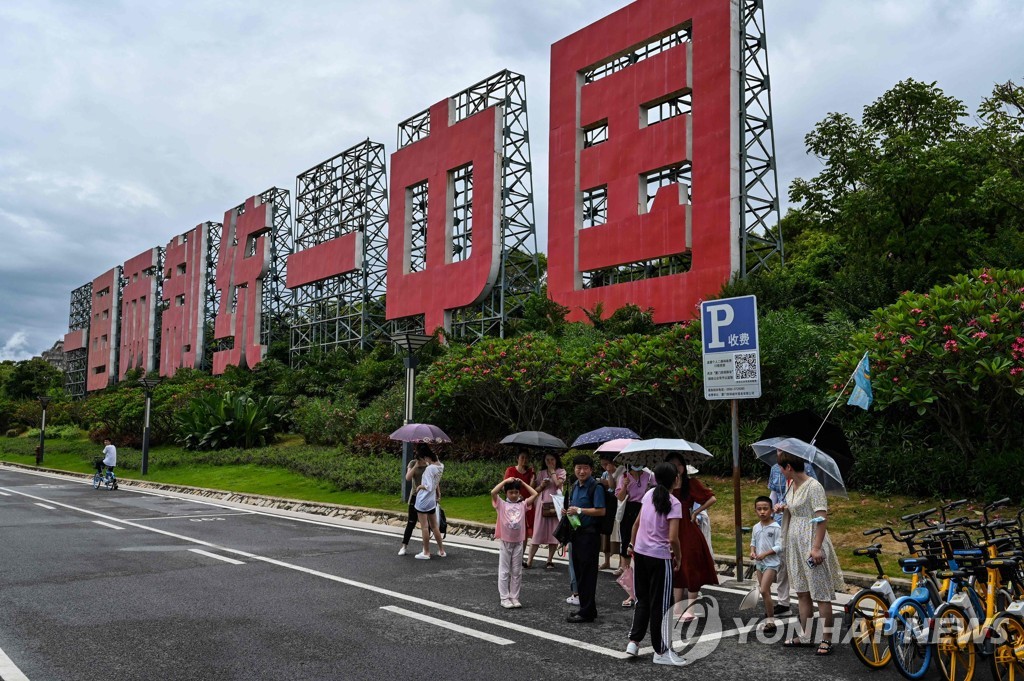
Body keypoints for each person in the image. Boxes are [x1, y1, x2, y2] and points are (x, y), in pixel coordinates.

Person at [776, 451, 844, 655]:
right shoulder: (790, 485)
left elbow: (821, 519)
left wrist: (816, 547)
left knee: (821, 592)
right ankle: (805, 635)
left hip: (811, 540)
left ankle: (827, 639)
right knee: (802, 591)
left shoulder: (814, 487)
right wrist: (784, 507)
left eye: (781, 466)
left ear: (789, 467)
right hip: (794, 541)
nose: (779, 470)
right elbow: (795, 508)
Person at [624, 462, 687, 666]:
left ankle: (634, 642)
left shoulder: (648, 495)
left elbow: (637, 523)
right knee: (661, 604)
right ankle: (661, 650)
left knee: (642, 599)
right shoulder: (674, 503)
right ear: (675, 479)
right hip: (660, 557)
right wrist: (678, 557)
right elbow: (673, 538)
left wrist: (632, 544)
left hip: (640, 553)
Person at [665, 453, 718, 621]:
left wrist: (696, 511)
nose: (676, 468)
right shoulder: (664, 486)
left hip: (687, 530)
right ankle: (677, 607)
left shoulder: (691, 483)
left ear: (684, 467)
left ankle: (691, 608)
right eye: (672, 465)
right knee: (676, 568)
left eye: (678, 465)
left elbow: (711, 498)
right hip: (669, 528)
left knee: (691, 567)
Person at [767, 461, 817, 615]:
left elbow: (814, 506)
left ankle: (811, 598)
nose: (778, 453)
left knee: (804, 565)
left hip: (802, 525)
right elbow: (774, 493)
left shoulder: (807, 470)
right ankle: (783, 601)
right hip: (782, 521)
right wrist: (771, 512)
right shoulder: (775, 468)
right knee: (782, 561)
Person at [565, 454, 605, 623]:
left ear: (591, 469)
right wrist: (567, 511)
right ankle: (586, 608)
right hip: (576, 533)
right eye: (578, 468)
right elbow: (572, 508)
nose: (581, 471)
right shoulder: (574, 486)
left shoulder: (595, 487)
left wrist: (580, 510)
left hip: (590, 534)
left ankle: (587, 611)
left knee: (588, 573)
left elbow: (601, 510)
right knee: (579, 572)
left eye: (585, 468)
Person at [491, 478, 539, 608]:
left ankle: (514, 597)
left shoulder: (523, 505)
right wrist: (505, 481)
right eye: (511, 492)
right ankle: (504, 598)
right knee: (504, 571)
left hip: (518, 542)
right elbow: (493, 492)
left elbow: (535, 494)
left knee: (517, 571)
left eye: (516, 492)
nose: (513, 495)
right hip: (506, 542)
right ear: (506, 493)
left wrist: (523, 483)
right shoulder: (501, 504)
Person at [615, 464, 654, 593]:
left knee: (643, 540)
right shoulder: (624, 476)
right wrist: (625, 485)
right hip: (629, 509)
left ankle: (642, 572)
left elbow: (655, 491)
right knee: (627, 540)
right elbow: (620, 497)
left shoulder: (649, 476)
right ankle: (627, 577)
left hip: (644, 508)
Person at [526, 451, 566, 569]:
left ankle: (549, 560)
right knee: (537, 532)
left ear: (556, 460)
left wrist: (553, 472)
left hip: (555, 505)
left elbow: (559, 484)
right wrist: (542, 485)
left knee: (553, 533)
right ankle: (529, 560)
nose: (549, 462)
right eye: (547, 460)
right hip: (542, 505)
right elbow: (535, 490)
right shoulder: (541, 473)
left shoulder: (561, 472)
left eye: (552, 460)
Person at [750, 496, 782, 635]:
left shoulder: (776, 527)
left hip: (771, 563)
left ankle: (771, 621)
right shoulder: (756, 527)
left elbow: (780, 546)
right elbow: (753, 542)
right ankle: (769, 613)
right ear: (755, 510)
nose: (762, 512)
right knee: (766, 592)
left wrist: (766, 554)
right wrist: (752, 552)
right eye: (759, 509)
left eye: (765, 509)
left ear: (771, 510)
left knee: (763, 590)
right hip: (759, 563)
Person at [412, 445, 446, 560]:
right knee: (435, 526)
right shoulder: (440, 466)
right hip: (432, 501)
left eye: (424, 458)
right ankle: (441, 550)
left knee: (425, 527)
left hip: (423, 500)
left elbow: (429, 486)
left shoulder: (429, 469)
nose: (424, 461)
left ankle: (426, 552)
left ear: (426, 457)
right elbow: (435, 484)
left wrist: (420, 486)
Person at [503, 450, 535, 560]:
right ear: (517, 458)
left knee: (524, 531)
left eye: (526, 458)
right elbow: (506, 486)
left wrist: (533, 476)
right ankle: (510, 554)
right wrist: (517, 495)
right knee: (512, 528)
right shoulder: (510, 470)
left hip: (526, 503)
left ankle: (520, 556)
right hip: (513, 504)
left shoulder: (530, 471)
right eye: (522, 457)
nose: (524, 460)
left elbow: (532, 488)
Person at [398, 452, 428, 556]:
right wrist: (416, 465)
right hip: (415, 496)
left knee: (426, 525)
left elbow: (435, 482)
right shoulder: (412, 463)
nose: (422, 459)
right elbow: (408, 477)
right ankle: (404, 546)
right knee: (411, 522)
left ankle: (425, 548)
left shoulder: (429, 465)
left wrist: (438, 495)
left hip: (426, 497)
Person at [598, 452, 623, 570]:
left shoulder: (621, 472)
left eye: (606, 464)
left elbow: (613, 486)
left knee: (617, 533)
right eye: (603, 465)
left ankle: (620, 563)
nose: (605, 467)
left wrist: (609, 475)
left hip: (617, 505)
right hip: (607, 503)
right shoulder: (604, 473)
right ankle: (606, 560)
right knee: (606, 532)